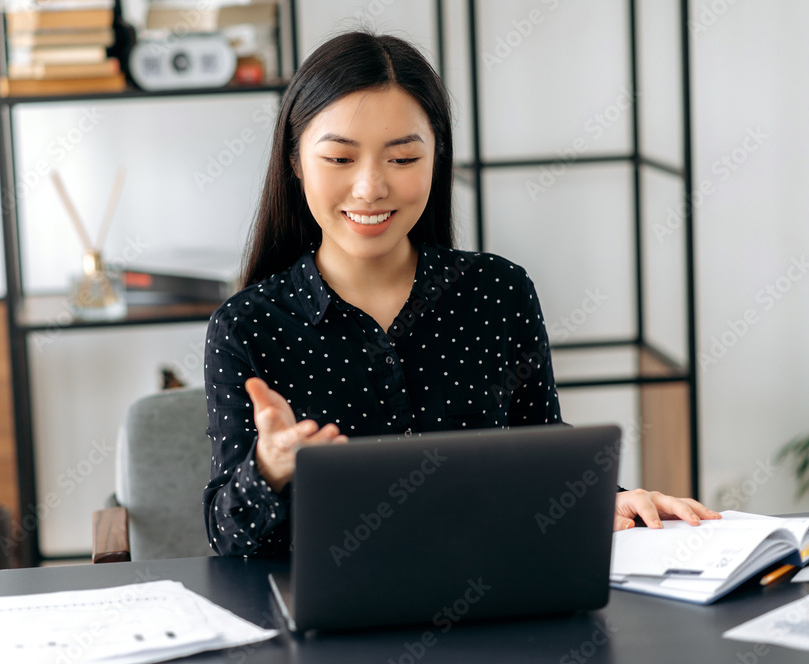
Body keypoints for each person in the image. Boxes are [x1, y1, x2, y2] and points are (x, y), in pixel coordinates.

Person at [202, 31, 718, 557]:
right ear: (295, 161)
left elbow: (540, 453)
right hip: (329, 621)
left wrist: (610, 499)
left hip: (491, 597)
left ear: (436, 158)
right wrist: (269, 468)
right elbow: (227, 539)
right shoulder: (247, 326)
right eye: (339, 159)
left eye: (402, 159)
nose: (370, 188)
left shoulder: (498, 292)